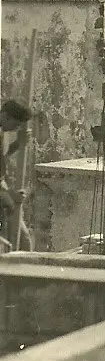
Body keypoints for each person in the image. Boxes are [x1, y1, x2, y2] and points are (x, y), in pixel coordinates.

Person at [0, 101, 33, 250]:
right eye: (16, 124)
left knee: (23, 241)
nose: (17, 128)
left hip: (3, 189)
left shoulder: (3, 132)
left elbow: (2, 157)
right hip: (2, 193)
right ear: (6, 116)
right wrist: (10, 194)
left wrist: (18, 144)